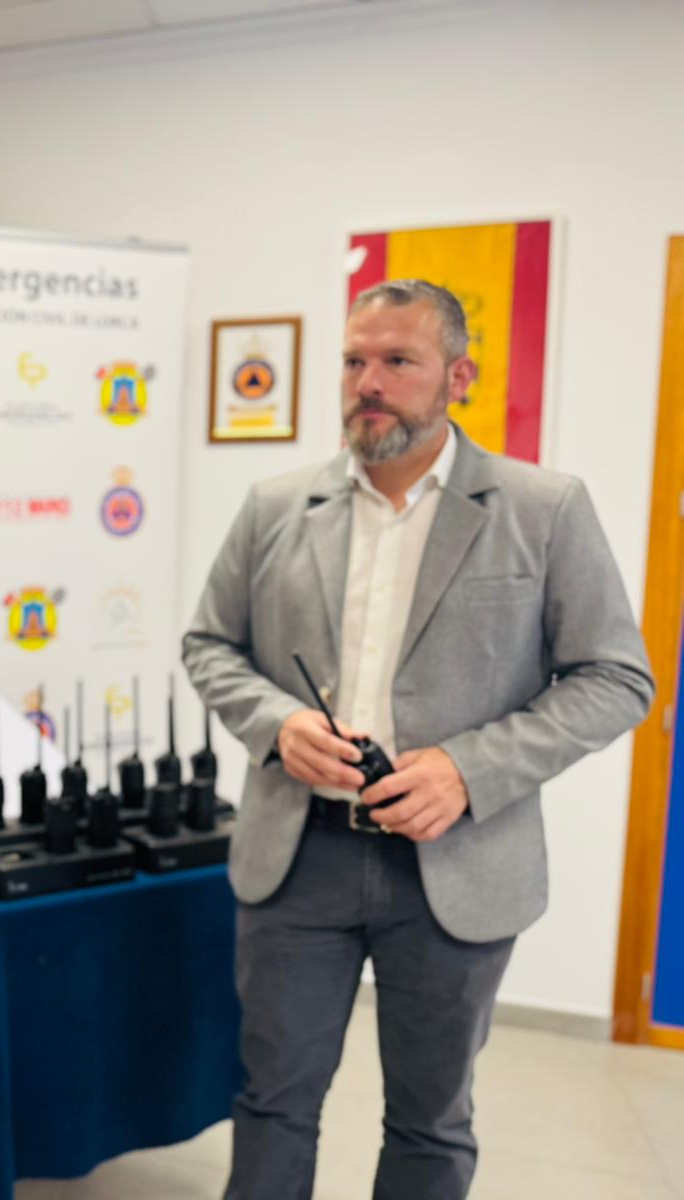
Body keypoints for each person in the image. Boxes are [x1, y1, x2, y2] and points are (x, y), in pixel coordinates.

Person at [183, 278, 654, 1199]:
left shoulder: (542, 507)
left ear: (459, 376)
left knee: (431, 1121)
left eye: (399, 361)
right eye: (356, 360)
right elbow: (210, 644)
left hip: (459, 865)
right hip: (298, 857)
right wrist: (277, 725)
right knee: (274, 1102)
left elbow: (617, 678)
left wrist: (466, 770)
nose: (370, 381)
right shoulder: (275, 505)